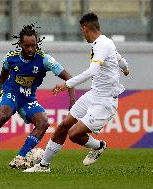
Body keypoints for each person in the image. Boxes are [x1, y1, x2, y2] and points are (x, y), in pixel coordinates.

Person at [24, 13, 129, 173]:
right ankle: (43, 166)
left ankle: (99, 146)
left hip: (105, 102)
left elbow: (93, 70)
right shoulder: (104, 43)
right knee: (63, 126)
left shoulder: (102, 45)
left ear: (85, 28)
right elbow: (118, 58)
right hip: (94, 95)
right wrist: (126, 68)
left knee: (74, 134)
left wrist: (67, 84)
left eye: (82, 30)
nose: (82, 34)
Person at [0, 24, 75, 169]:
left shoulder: (44, 59)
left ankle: (20, 157)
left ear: (37, 44)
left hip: (28, 98)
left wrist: (72, 101)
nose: (30, 49)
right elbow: (4, 73)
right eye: (27, 46)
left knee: (43, 123)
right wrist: (1, 90)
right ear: (20, 44)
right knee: (4, 115)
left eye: (33, 46)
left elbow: (69, 77)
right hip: (12, 92)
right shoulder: (11, 58)